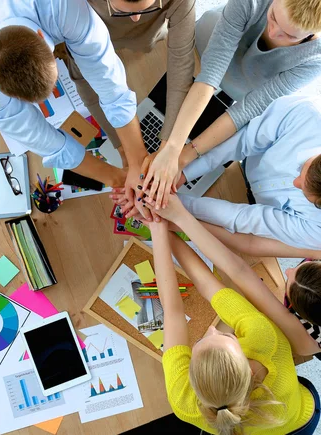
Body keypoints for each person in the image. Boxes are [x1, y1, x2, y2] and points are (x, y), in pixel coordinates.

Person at [0, 0, 152, 219]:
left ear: (43, 38)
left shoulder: (60, 5)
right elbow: (46, 142)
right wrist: (117, 180)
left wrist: (137, 162)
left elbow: (110, 83)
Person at [145, 204, 320, 434]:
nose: (212, 330)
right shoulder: (268, 343)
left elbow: (173, 312)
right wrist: (162, 230)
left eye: (202, 342)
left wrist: (159, 231)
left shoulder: (183, 400)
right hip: (300, 420)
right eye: (225, 336)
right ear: (247, 369)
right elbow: (182, 306)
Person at [139, 0, 321, 210]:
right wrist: (171, 148)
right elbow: (210, 75)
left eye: (289, 36)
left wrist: (182, 158)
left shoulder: (314, 59)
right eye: (272, 17)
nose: (272, 33)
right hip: (210, 42)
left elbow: (246, 110)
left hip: (252, 82)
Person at [64, 0, 196, 202]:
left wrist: (167, 148)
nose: (136, 18)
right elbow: (86, 82)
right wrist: (122, 149)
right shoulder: (70, 10)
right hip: (94, 42)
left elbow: (181, 71)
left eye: (151, 5)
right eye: (120, 11)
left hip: (147, 43)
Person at [176, 95, 321, 256]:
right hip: (241, 163)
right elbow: (242, 141)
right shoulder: (303, 117)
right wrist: (183, 173)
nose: (295, 182)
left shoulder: (318, 230)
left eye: (307, 195)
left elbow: (246, 218)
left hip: (250, 206)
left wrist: (178, 204)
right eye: (302, 169)